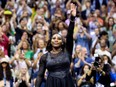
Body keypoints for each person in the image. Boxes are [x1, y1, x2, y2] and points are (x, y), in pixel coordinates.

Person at [35, 6, 77, 87]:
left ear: (62, 42)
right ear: (50, 42)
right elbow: (40, 75)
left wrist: (72, 18)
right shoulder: (44, 57)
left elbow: (70, 35)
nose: (56, 40)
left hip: (67, 82)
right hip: (52, 83)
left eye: (59, 38)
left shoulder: (67, 51)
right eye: (54, 38)